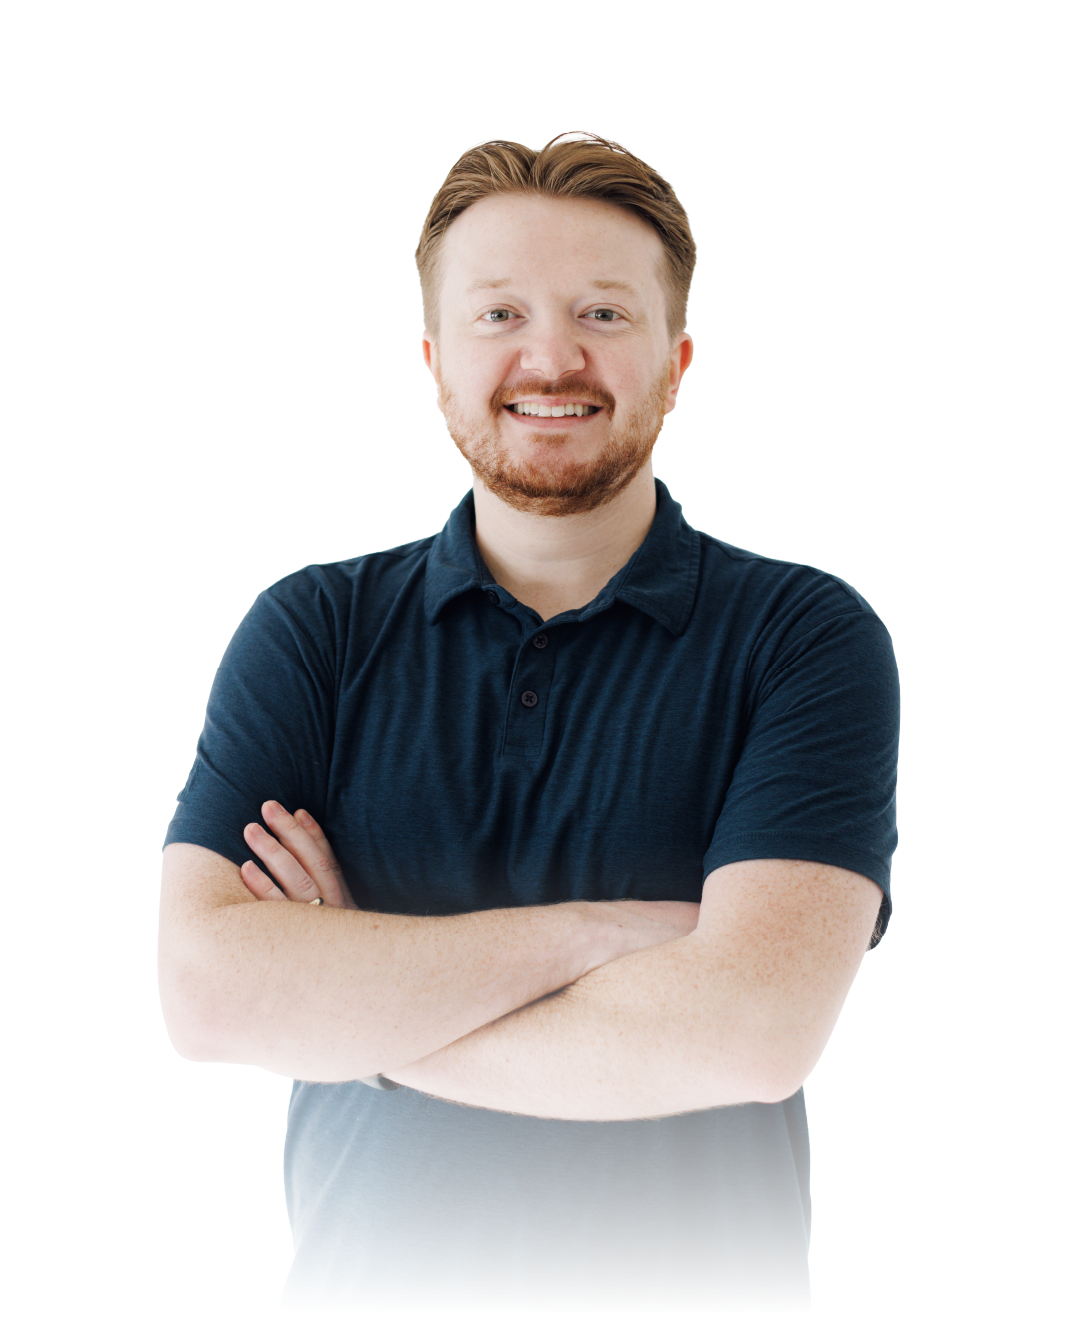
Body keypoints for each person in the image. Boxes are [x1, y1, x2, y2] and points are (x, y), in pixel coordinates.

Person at [159, 133, 899, 1316]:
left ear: (677, 360)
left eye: (604, 311)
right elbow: (208, 993)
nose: (550, 355)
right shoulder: (314, 631)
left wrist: (355, 1004)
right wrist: (608, 936)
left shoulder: (803, 637)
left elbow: (750, 1033)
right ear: (434, 358)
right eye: (498, 312)